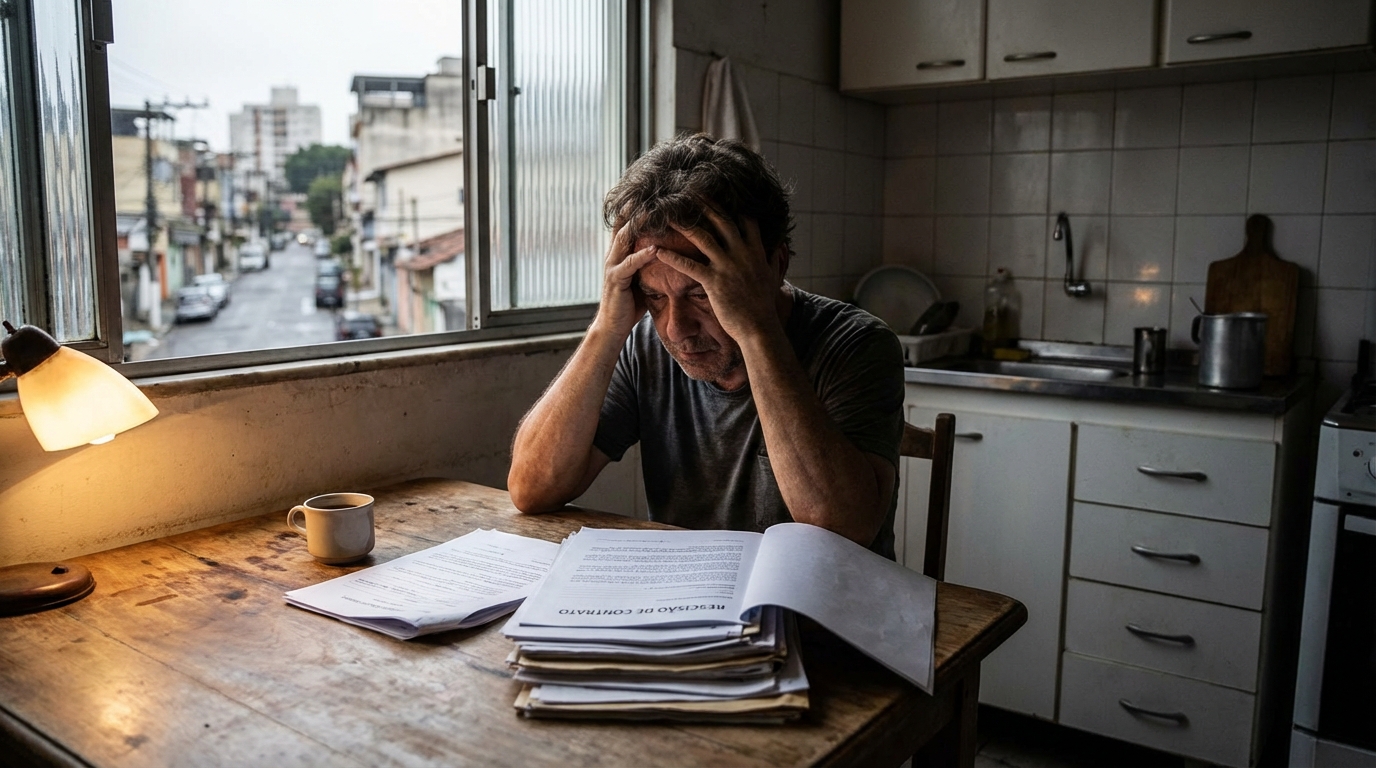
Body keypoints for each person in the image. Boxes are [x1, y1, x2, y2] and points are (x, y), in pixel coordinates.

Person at [507, 134, 905, 558]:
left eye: (701, 293)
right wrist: (606, 328)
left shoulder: (857, 343)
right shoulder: (646, 346)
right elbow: (531, 491)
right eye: (655, 297)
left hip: (824, 605)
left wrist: (756, 331)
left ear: (775, 265)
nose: (676, 329)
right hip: (690, 601)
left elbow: (842, 529)